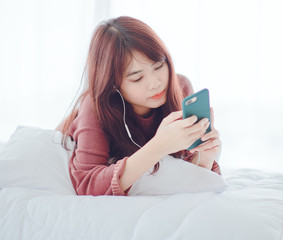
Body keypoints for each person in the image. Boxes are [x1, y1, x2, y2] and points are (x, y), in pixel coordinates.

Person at [58, 16, 222, 196]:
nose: (155, 84)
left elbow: (183, 174)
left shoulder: (179, 87)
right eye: (137, 78)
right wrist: (159, 145)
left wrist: (205, 157)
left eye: (158, 66)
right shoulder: (95, 105)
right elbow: (87, 184)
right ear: (113, 83)